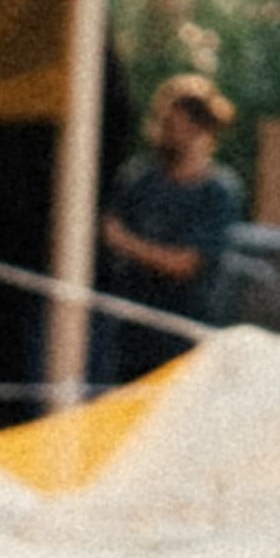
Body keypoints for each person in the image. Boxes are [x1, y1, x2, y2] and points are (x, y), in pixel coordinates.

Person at [91, 73, 246, 385]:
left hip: (183, 335)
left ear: (200, 129)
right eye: (162, 123)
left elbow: (186, 264)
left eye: (173, 126)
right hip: (129, 336)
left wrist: (124, 241)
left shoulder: (219, 192)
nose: (161, 133)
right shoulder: (138, 180)